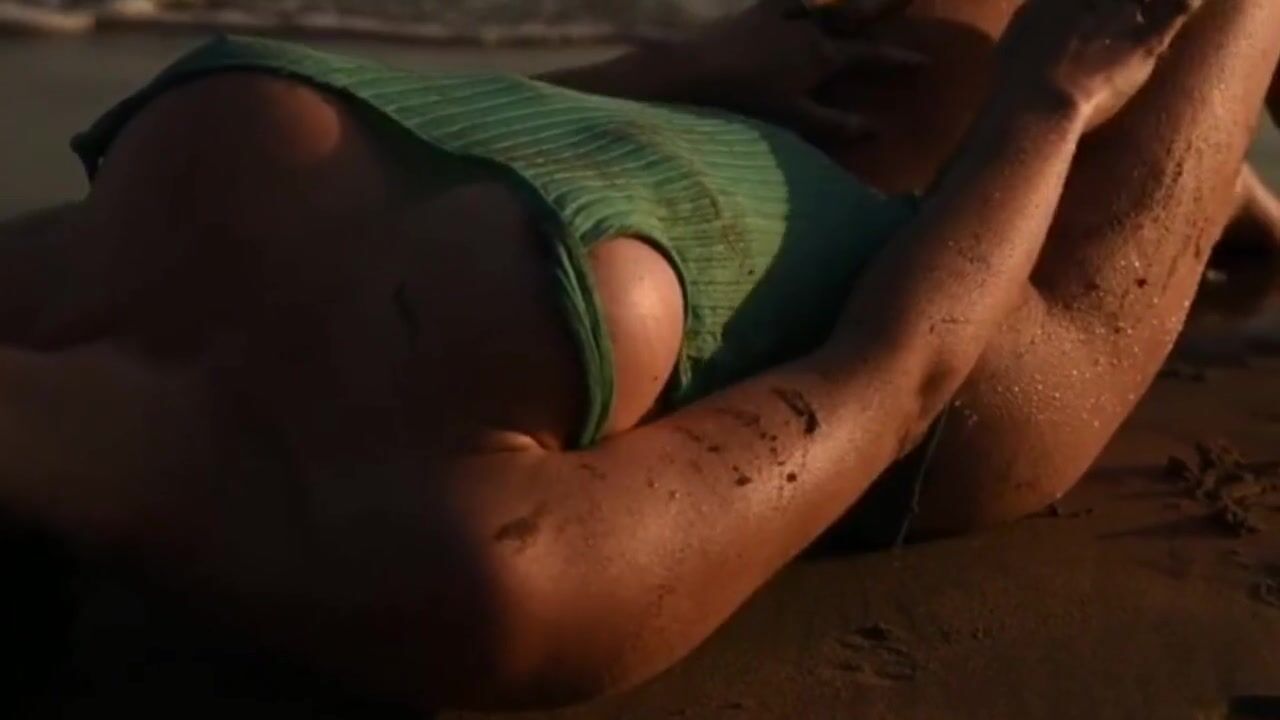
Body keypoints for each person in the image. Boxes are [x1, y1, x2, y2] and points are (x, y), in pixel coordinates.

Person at [0, 0, 1276, 712]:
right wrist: (1046, 108)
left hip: (729, 130)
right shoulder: (457, 565)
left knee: (908, 49)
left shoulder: (40, 294)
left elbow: (429, 139)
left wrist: (677, 67)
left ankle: (1191, 189)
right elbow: (893, 384)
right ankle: (1177, 188)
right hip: (984, 335)